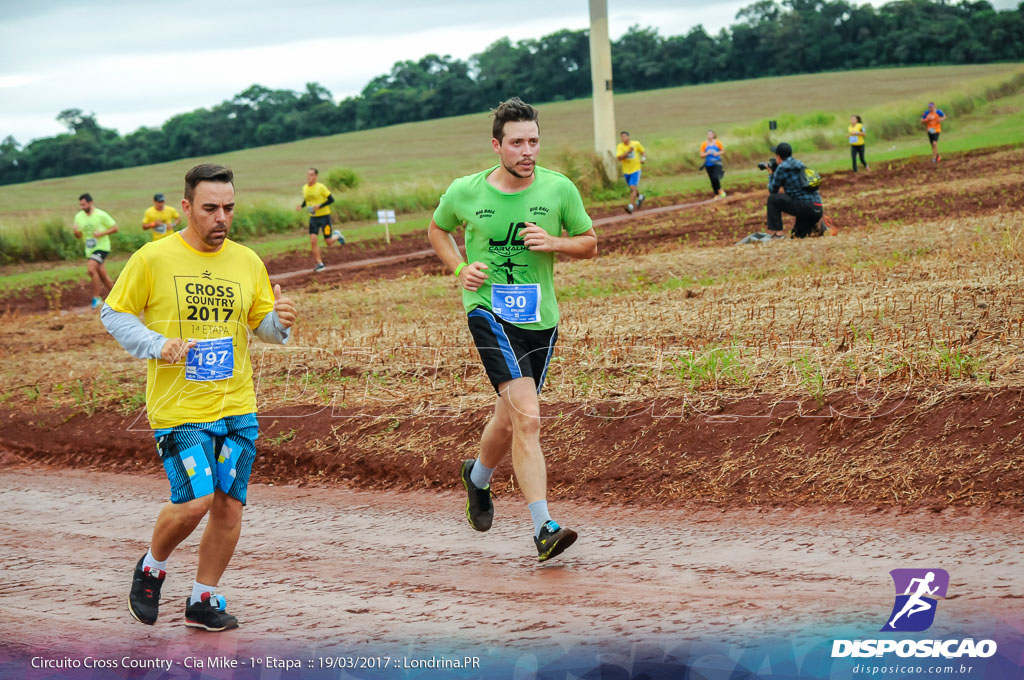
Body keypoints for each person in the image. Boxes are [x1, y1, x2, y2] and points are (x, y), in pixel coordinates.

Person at [100, 163, 296, 632]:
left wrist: (282, 322)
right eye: (210, 208)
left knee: (229, 504)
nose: (221, 218)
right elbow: (115, 314)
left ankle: (203, 600)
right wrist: (158, 345)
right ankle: (152, 567)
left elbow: (262, 327)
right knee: (195, 501)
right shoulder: (153, 258)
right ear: (186, 207)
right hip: (180, 409)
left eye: (228, 208)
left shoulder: (247, 261)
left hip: (237, 406)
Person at [427, 97, 597, 562]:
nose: (528, 151)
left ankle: (477, 478)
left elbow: (590, 244)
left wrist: (556, 242)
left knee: (510, 415)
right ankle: (544, 525)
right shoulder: (467, 191)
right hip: (488, 312)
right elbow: (437, 229)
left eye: (534, 141)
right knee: (528, 416)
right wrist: (459, 268)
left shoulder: (559, 189)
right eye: (517, 142)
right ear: (497, 146)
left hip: (541, 320)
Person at [765, 142, 824, 239]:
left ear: (779, 157)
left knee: (772, 199)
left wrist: (771, 174)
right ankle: (817, 226)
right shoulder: (800, 164)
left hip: (804, 207)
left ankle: (777, 234)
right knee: (797, 236)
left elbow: (772, 189)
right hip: (816, 208)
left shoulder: (782, 168)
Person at [72, 193, 118, 309]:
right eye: (80, 205)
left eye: (84, 204)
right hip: (90, 250)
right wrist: (76, 233)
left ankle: (96, 299)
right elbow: (78, 235)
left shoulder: (101, 214)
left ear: (91, 202)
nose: (82, 207)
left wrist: (102, 233)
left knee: (91, 269)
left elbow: (115, 228)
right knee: (103, 276)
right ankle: (119, 297)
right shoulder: (78, 217)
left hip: (102, 247)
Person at [295, 167, 344, 272]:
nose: (309, 177)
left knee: (329, 242)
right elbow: (307, 200)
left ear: (316, 176)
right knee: (313, 240)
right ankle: (320, 264)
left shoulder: (321, 187)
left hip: (324, 218)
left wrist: (320, 206)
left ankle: (337, 235)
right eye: (308, 174)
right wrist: (301, 206)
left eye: (311, 175)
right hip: (313, 219)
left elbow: (331, 199)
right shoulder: (305, 188)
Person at [616, 130, 646, 214]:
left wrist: (643, 159)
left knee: (633, 187)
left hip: (636, 169)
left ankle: (631, 206)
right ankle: (640, 197)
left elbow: (643, 151)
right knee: (633, 188)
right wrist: (628, 151)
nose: (623, 138)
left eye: (624, 136)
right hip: (626, 170)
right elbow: (619, 158)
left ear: (628, 137)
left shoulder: (636, 144)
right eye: (621, 137)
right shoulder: (620, 146)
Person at [699, 130, 727, 198]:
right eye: (708, 134)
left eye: (711, 134)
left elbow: (723, 151)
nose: (709, 136)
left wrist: (717, 153)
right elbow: (701, 155)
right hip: (708, 164)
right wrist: (707, 153)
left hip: (717, 163)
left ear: (714, 135)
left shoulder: (718, 143)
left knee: (715, 177)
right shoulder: (704, 144)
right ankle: (716, 194)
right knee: (712, 180)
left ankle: (720, 190)